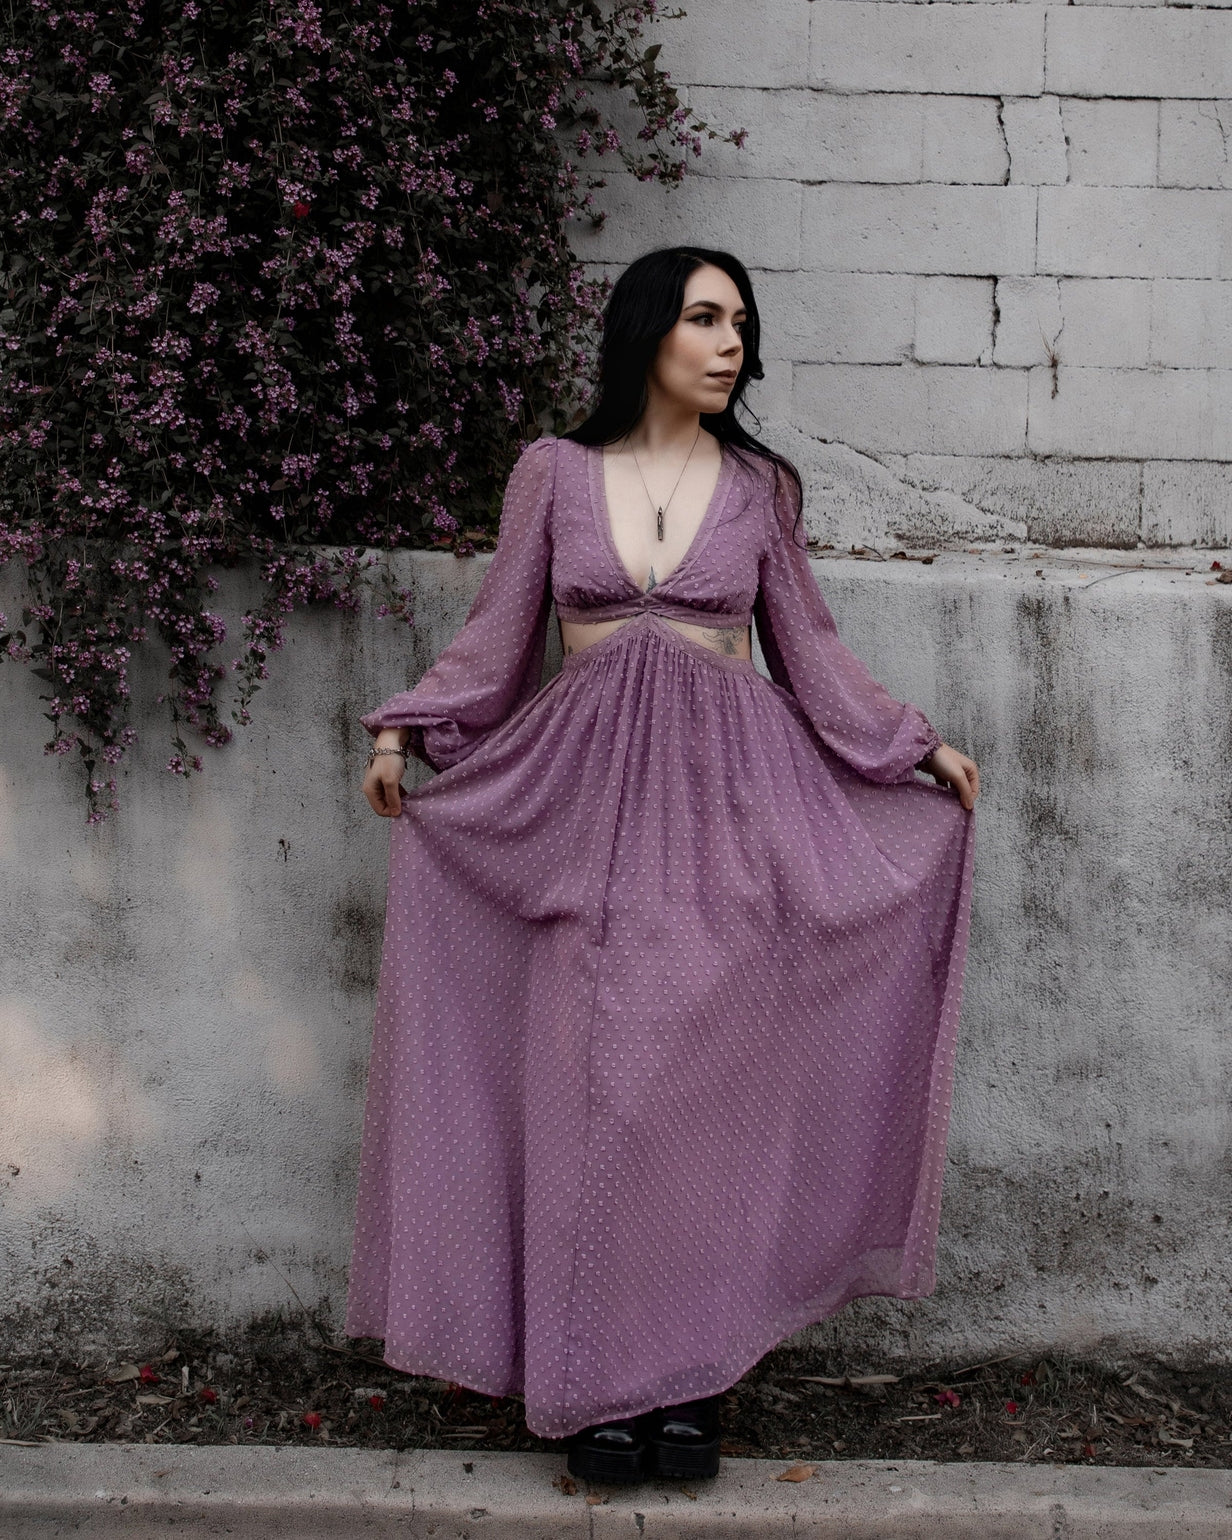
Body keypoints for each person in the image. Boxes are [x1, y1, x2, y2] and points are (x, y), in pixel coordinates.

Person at [345, 245, 979, 1486]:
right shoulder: (554, 472)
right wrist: (404, 726)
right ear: (647, 332)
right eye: (703, 317)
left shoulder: (758, 487)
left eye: (740, 321)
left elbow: (809, 650)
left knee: (694, 1106)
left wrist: (912, 748)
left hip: (731, 818)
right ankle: (590, 1386)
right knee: (595, 1100)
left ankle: (685, 1381)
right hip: (575, 812)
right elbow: (495, 637)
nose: (730, 340)